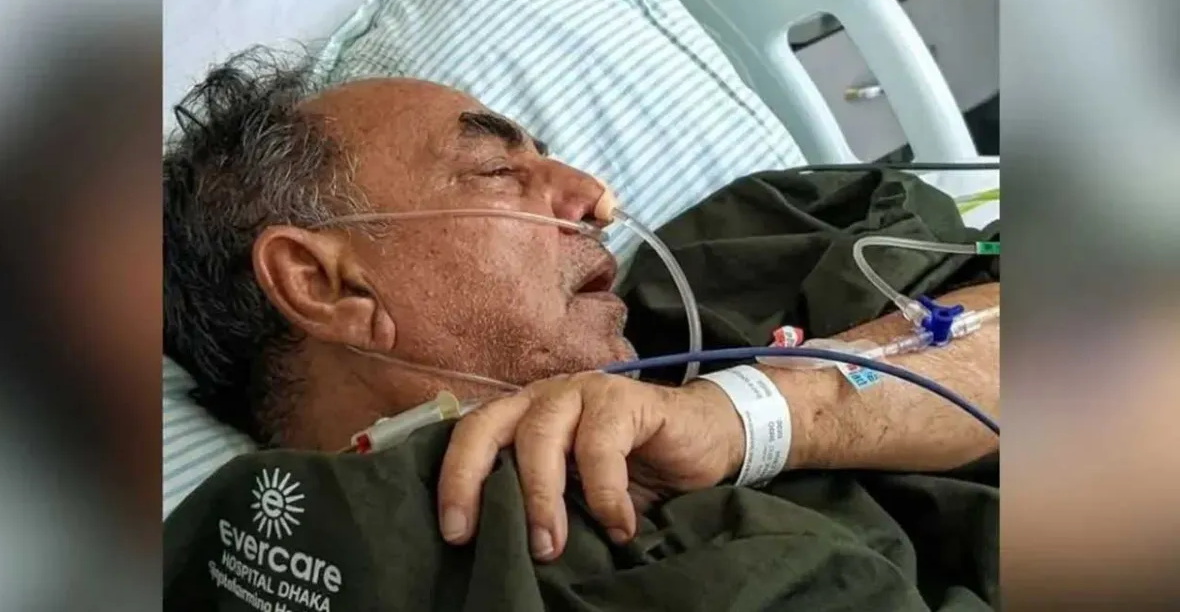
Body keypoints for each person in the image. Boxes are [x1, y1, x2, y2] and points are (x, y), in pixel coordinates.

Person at [163, 53, 999, 570]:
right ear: (325, 284)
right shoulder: (303, 556)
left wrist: (745, 414)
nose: (595, 198)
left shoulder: (719, 283)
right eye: (496, 172)